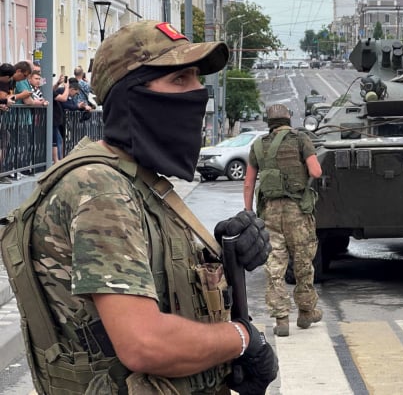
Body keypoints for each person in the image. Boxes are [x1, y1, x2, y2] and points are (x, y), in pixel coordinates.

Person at [5, 20, 278, 394]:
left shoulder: (134, 180)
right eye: (180, 80)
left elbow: (162, 281)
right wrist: (241, 339)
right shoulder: (101, 190)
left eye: (197, 78)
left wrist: (222, 253)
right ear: (133, 96)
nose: (198, 93)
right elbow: (144, 343)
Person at [243, 103, 323, 337]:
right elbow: (316, 171)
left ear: (268, 122)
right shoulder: (300, 140)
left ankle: (281, 319)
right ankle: (306, 311)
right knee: (303, 262)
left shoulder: (258, 146)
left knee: (275, 266)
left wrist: (249, 212)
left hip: (269, 212)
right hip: (297, 211)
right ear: (288, 119)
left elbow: (248, 183)